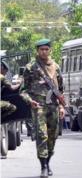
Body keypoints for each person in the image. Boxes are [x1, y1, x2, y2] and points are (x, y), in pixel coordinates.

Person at [21, 38, 65, 178]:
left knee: (53, 137)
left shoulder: (56, 67)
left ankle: (48, 161)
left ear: (50, 50)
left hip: (53, 107)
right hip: (38, 106)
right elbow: (23, 90)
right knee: (42, 136)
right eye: (42, 49)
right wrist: (30, 101)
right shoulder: (31, 67)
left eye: (46, 49)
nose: (44, 52)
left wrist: (62, 107)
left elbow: (61, 89)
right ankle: (43, 166)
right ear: (37, 51)